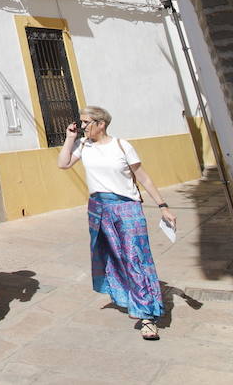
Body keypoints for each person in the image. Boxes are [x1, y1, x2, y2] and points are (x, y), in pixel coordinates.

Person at [57, 106, 179, 341]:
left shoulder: (122, 146)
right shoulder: (84, 146)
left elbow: (143, 177)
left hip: (127, 208)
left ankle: (147, 314)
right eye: (81, 122)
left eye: (85, 122)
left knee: (135, 257)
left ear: (101, 124)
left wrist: (163, 206)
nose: (81, 126)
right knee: (110, 256)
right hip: (98, 208)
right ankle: (127, 297)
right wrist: (69, 138)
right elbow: (63, 164)